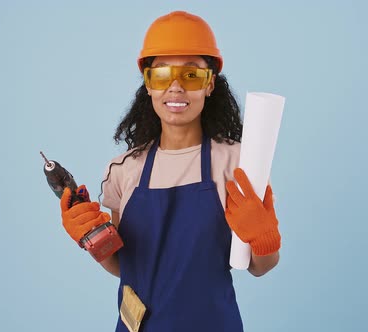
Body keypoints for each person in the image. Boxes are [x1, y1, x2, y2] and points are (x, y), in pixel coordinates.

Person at [59, 10, 281, 331]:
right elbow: (126, 267)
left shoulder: (237, 163)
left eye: (191, 75)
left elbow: (260, 267)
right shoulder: (123, 169)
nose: (175, 88)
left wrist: (265, 241)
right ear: (148, 85)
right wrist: (93, 238)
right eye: (162, 75)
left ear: (209, 85)